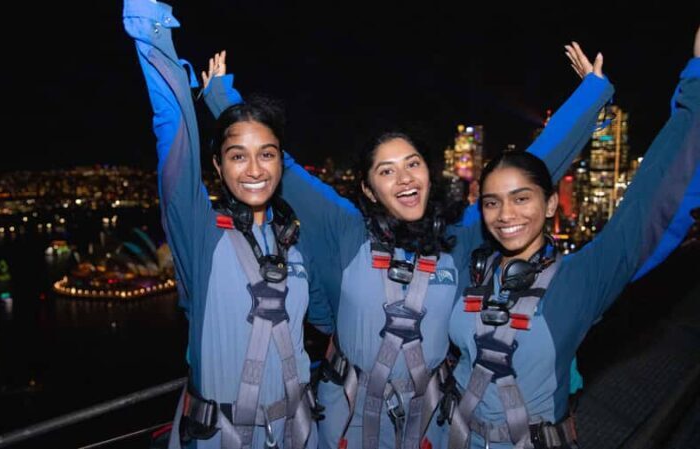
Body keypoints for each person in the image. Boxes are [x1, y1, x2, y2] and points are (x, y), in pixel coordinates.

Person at [202, 44, 613, 448]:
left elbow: (534, 167)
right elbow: (280, 167)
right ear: (369, 188)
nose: (404, 179)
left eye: (413, 164)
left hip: (427, 422)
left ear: (428, 173)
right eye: (387, 170)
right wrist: (223, 98)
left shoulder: (460, 236)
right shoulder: (347, 230)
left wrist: (591, 96)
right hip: (347, 418)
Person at [444, 26, 700, 449]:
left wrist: (696, 82)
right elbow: (534, 161)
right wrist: (588, 97)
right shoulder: (469, 266)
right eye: (492, 202)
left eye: (522, 199)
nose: (506, 214)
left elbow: (647, 207)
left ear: (549, 205)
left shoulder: (578, 281)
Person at [122, 1, 318, 448]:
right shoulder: (202, 235)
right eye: (237, 155)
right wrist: (152, 27)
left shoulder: (293, 242)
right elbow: (173, 129)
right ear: (217, 165)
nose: (254, 169)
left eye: (266, 154)